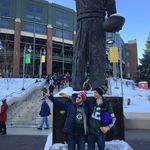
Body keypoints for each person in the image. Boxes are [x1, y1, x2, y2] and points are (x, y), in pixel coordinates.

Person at [72, 0, 118, 90]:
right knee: (79, 56)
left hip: (98, 21)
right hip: (81, 21)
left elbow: (110, 4)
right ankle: (76, 87)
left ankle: (98, 88)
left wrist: (112, 17)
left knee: (97, 56)